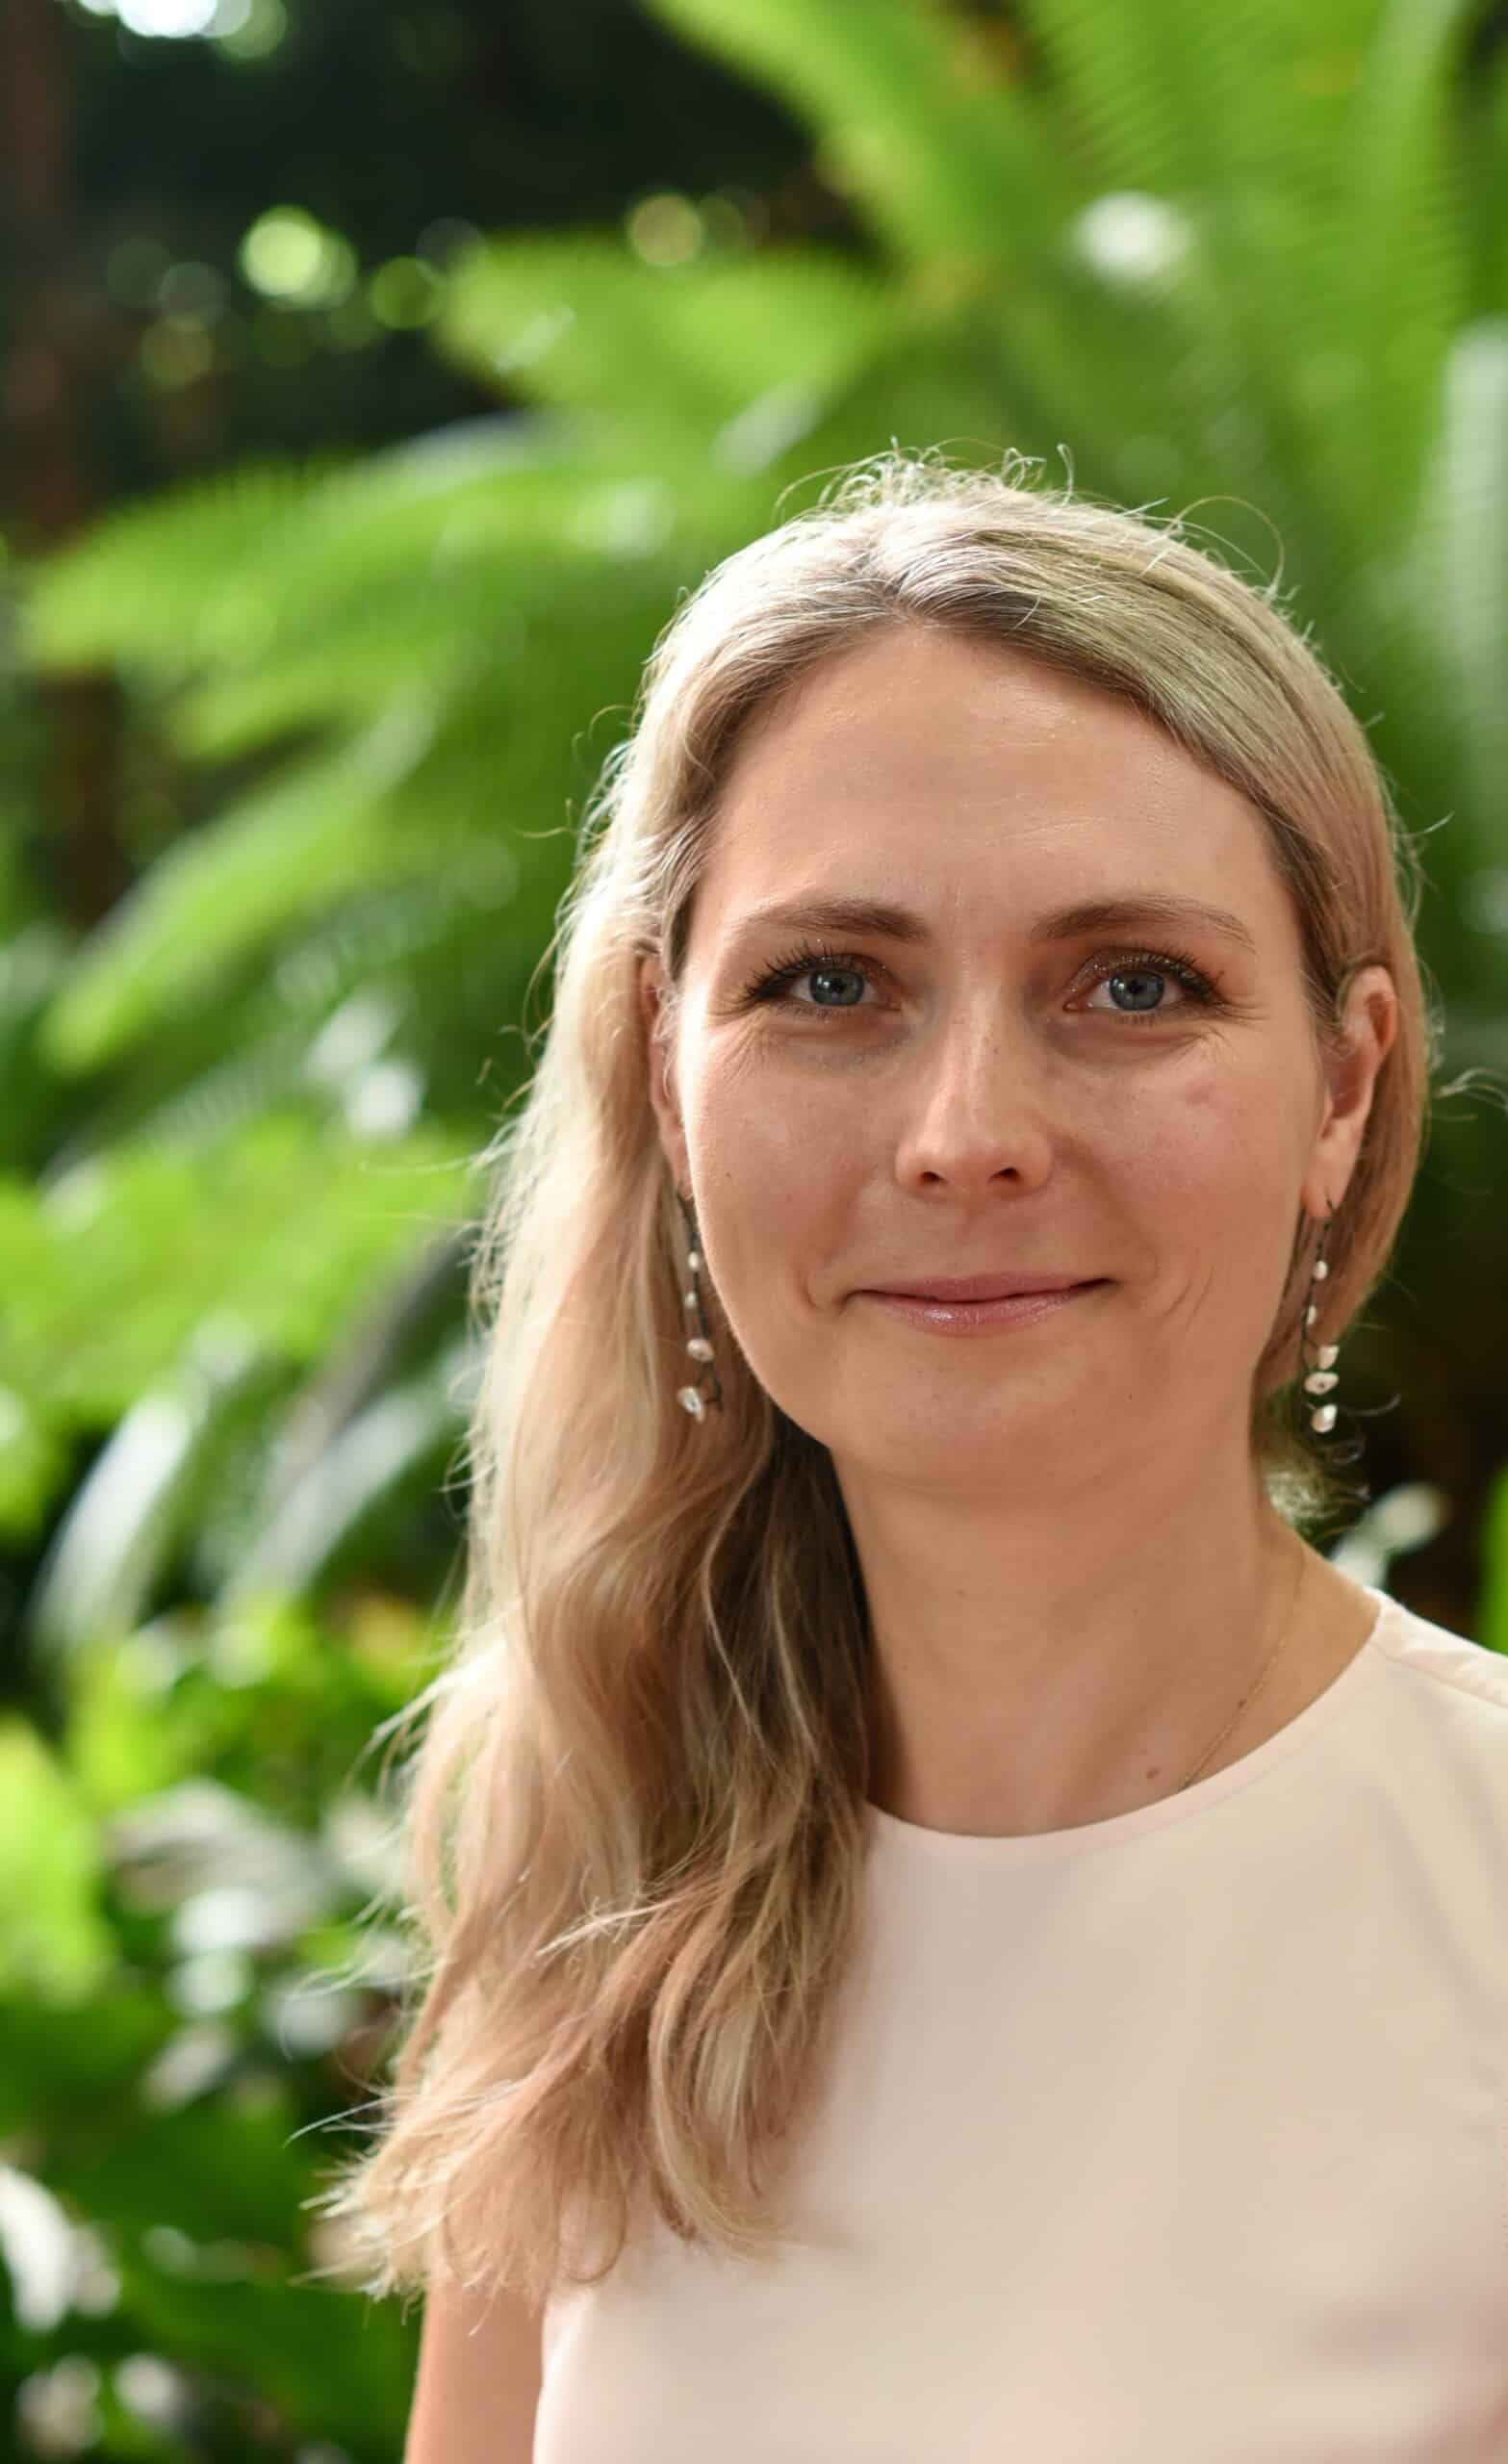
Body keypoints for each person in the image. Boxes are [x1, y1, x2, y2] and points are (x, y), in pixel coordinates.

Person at [317, 451, 1508, 2460]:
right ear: (665, 1082)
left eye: (1131, 984)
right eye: (829, 984)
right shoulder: (590, 1871)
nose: (966, 1131)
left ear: (1342, 1081)